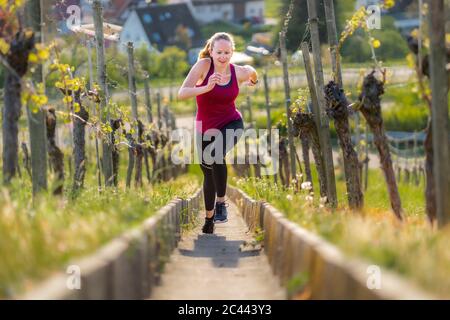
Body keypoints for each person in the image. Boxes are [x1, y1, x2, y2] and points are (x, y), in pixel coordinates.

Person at [178, 32, 258, 234]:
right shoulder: (203, 66)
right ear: (211, 51)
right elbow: (182, 93)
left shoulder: (237, 71)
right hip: (204, 127)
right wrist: (206, 86)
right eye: (219, 52)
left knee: (215, 154)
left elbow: (252, 70)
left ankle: (221, 203)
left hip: (232, 122)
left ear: (232, 52)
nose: (223, 56)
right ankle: (209, 218)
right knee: (208, 171)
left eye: (227, 52)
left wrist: (253, 81)